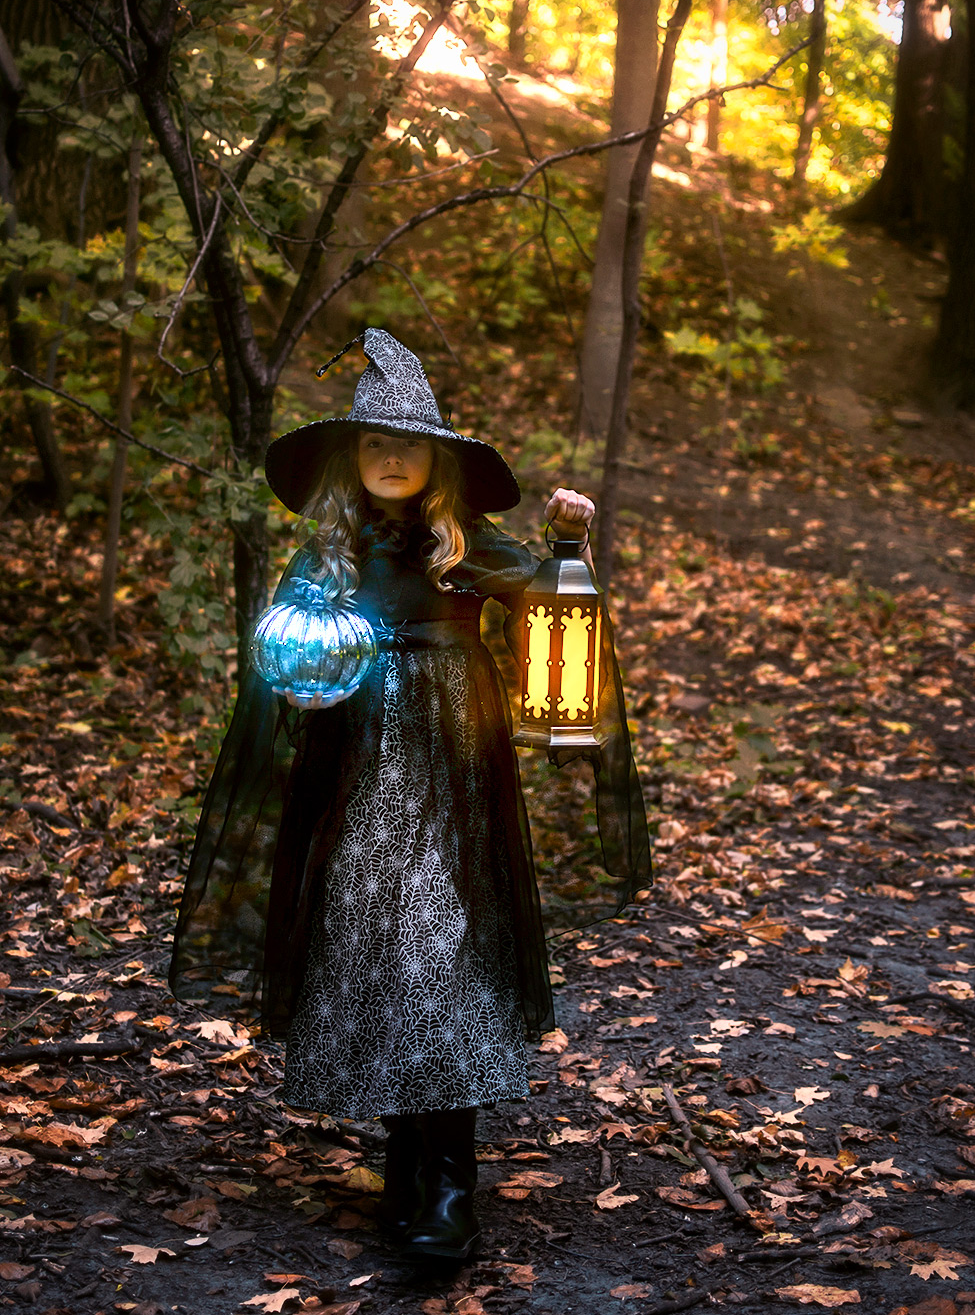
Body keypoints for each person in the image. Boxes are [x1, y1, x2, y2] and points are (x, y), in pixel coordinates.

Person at [169, 329, 651, 1260]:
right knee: (367, 948)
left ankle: (450, 1179)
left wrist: (570, 541)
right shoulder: (328, 554)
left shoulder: (463, 546)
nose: (392, 458)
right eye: (374, 443)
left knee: (440, 951)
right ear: (352, 458)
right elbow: (283, 655)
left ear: (438, 461)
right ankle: (402, 1153)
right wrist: (297, 682)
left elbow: (559, 607)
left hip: (447, 783)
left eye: (409, 444)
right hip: (351, 784)